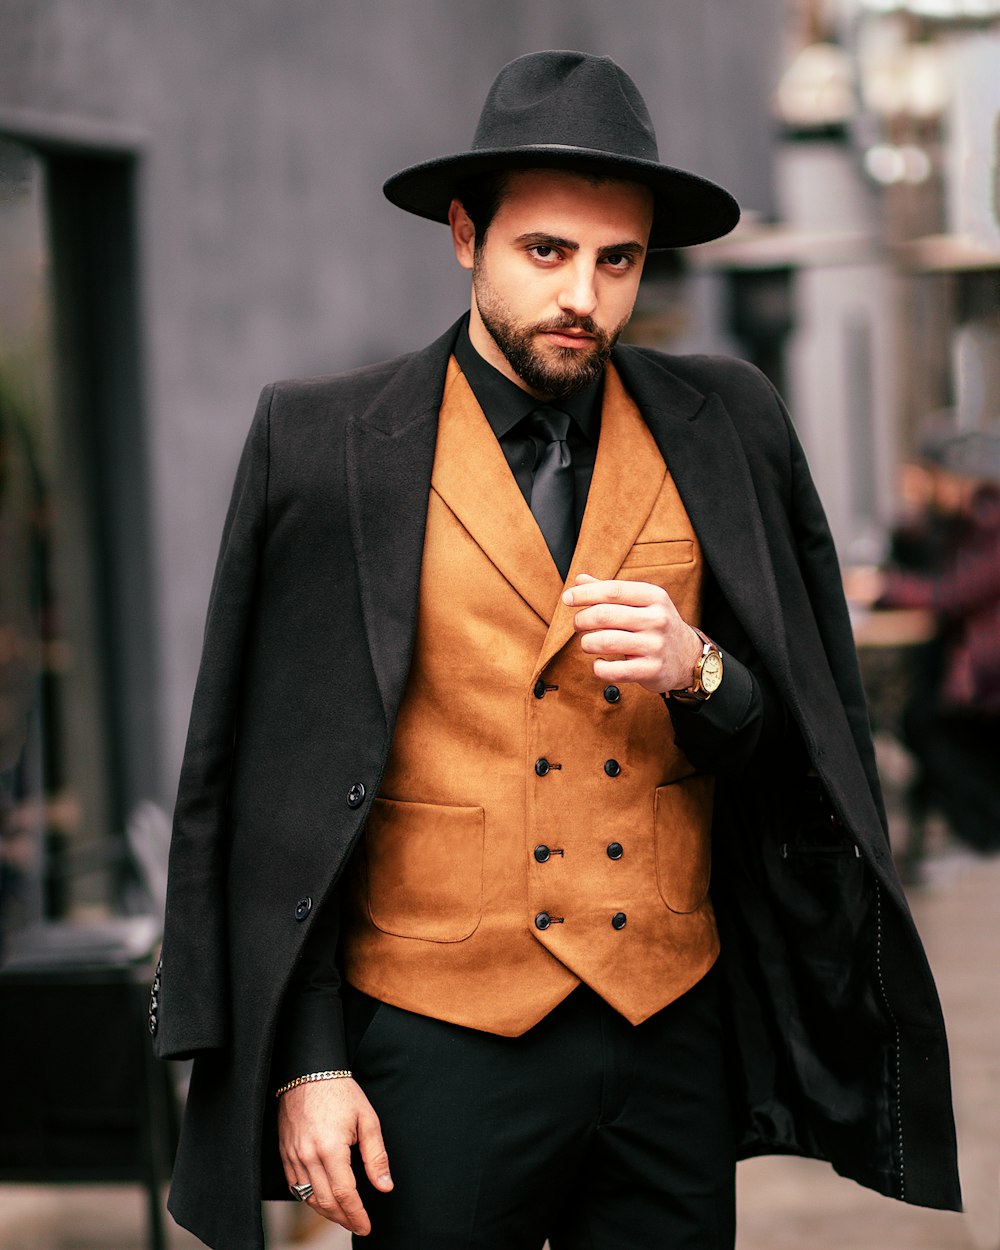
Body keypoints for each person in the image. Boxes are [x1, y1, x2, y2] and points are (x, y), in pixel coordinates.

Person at [150, 50, 961, 1250]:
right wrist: (305, 1064)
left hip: (668, 1029)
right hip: (433, 1036)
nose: (583, 293)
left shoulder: (725, 423)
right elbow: (255, 780)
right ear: (465, 235)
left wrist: (703, 670)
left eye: (617, 259)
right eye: (546, 252)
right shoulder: (324, 441)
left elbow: (810, 736)